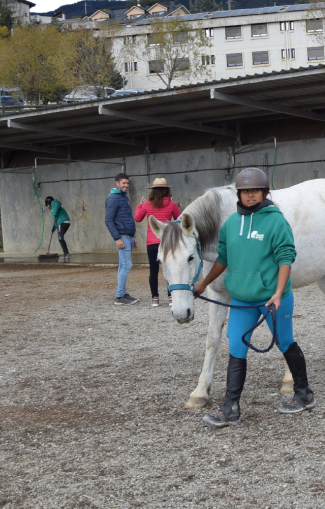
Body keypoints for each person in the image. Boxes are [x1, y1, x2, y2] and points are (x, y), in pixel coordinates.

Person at [194, 167, 314, 428]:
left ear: (264, 193)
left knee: (285, 343)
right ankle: (230, 408)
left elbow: (285, 259)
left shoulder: (276, 221)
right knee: (236, 347)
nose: (250, 195)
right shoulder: (231, 224)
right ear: (239, 194)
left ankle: (304, 394)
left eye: (255, 191)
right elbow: (223, 259)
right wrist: (203, 283)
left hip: (272, 299)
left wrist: (279, 292)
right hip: (241, 299)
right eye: (245, 191)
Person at [134, 178, 182, 307]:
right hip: (167, 242)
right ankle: (170, 297)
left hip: (151, 242)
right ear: (167, 190)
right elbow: (179, 220)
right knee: (169, 270)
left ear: (153, 191)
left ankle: (155, 298)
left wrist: (139, 205)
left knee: (153, 272)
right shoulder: (172, 205)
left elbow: (137, 218)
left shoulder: (146, 205)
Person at [104, 172, 138, 305]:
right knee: (127, 265)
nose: (126, 185)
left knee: (123, 265)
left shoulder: (124, 198)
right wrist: (117, 238)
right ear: (116, 183)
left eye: (127, 183)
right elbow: (108, 220)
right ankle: (119, 296)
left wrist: (133, 236)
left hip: (128, 236)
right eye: (123, 183)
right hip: (122, 237)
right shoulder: (113, 198)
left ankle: (122, 293)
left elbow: (127, 218)